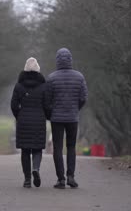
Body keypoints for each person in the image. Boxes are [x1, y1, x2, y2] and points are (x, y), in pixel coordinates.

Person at [46, 48, 88, 189]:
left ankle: (61, 179)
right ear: (70, 60)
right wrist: (76, 109)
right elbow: (83, 98)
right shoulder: (79, 77)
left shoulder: (51, 78)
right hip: (72, 118)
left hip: (56, 118)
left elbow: (47, 100)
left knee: (57, 148)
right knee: (71, 147)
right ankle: (71, 176)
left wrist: (50, 114)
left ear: (57, 60)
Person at [11, 57, 50, 188]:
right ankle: (36, 169)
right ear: (38, 69)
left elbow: (14, 105)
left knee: (25, 150)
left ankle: (27, 179)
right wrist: (47, 116)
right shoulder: (44, 86)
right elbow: (47, 105)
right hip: (39, 120)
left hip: (23, 121)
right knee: (38, 148)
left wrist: (19, 116)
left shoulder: (19, 85)